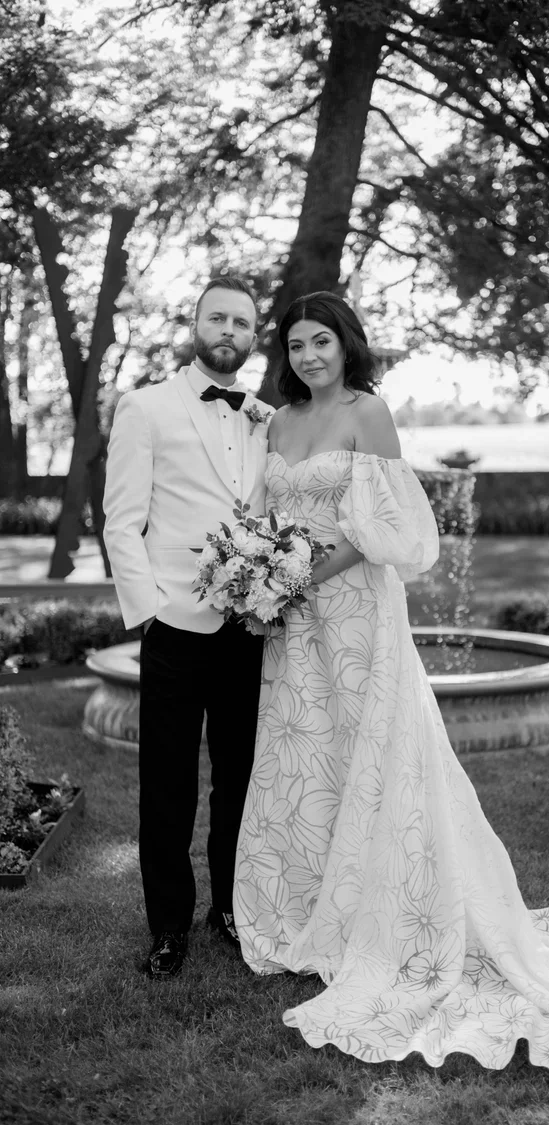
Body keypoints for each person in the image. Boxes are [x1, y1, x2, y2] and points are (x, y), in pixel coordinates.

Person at [232, 289, 549, 1072]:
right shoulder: (279, 420)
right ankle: (306, 912)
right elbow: (264, 514)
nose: (308, 356)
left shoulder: (369, 412)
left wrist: (295, 575)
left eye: (320, 342)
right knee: (310, 761)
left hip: (356, 616)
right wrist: (258, 578)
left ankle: (382, 916)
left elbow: (386, 530)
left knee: (374, 757)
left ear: (346, 345)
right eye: (296, 344)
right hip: (292, 629)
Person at [104, 276, 272, 980]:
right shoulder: (145, 407)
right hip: (173, 623)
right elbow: (121, 520)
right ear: (195, 324)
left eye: (241, 321)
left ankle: (230, 910)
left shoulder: (267, 416)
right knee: (167, 783)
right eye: (218, 317)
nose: (228, 329)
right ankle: (169, 925)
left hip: (252, 628)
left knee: (240, 779)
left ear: (252, 336)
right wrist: (149, 612)